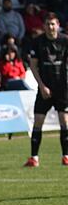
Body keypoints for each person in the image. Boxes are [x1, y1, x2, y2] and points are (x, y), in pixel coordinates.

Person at [25, 13, 68, 167]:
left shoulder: (65, 40)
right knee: (38, 122)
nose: (50, 27)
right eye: (48, 24)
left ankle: (66, 156)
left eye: (53, 24)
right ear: (44, 26)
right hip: (44, 88)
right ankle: (34, 158)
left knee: (65, 121)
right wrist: (42, 86)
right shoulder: (38, 42)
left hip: (62, 88)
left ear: (58, 25)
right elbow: (33, 65)